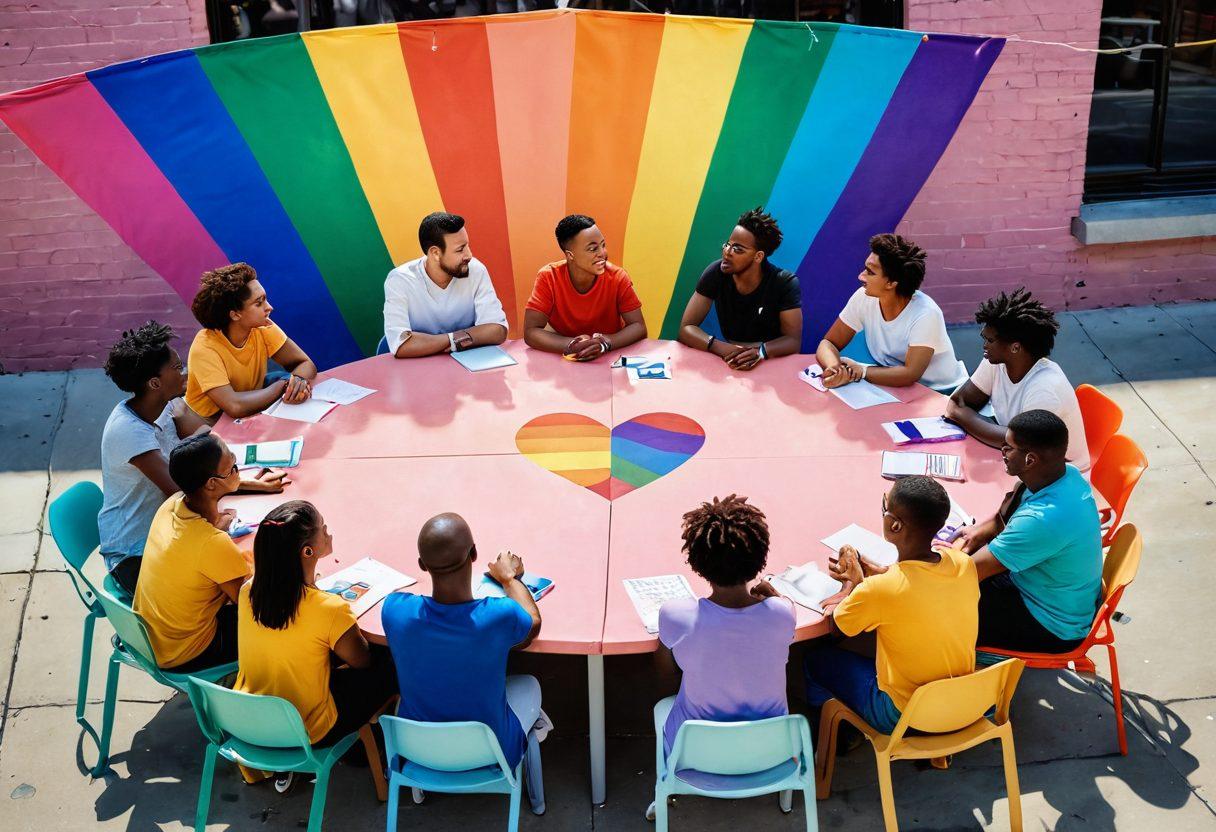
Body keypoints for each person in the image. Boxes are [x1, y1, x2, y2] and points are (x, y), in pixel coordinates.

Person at [100, 323, 288, 594]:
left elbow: (211, 444)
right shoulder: (129, 432)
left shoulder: (167, 406)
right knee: (238, 584)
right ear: (155, 383)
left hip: (174, 530)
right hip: (136, 555)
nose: (185, 373)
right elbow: (183, 490)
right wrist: (236, 488)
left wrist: (247, 481)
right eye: (177, 368)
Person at [381, 513, 545, 812]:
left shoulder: (395, 611)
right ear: (474, 555)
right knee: (530, 684)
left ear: (421, 565)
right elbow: (532, 623)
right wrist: (509, 578)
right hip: (490, 751)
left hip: (416, 751)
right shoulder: (498, 616)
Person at [234, 500, 398, 790]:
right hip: (308, 728)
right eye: (324, 529)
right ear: (308, 551)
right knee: (390, 662)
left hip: (251, 719)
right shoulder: (328, 609)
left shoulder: (249, 591)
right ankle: (373, 748)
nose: (329, 534)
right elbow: (362, 661)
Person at [805, 476, 978, 735]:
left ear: (894, 525)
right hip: (961, 703)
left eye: (884, 507)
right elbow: (916, 586)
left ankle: (840, 736)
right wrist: (879, 575)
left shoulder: (880, 590)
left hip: (904, 716)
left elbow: (837, 626)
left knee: (813, 658)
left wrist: (851, 587)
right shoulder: (963, 564)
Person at [951, 410, 1102, 653]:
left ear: (1030, 460)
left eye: (1008, 447)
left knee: (938, 614)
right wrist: (979, 531)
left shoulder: (1043, 520)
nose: (1002, 451)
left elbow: (967, 574)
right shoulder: (1065, 476)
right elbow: (1011, 510)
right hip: (1048, 593)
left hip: (1051, 625)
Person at [656, 495, 795, 753]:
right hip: (771, 755)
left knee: (665, 703)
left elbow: (665, 671)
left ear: (696, 562)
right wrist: (774, 597)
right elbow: (783, 608)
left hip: (694, 757)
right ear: (759, 559)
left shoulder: (676, 615)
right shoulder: (782, 613)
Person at [133, 434, 250, 672]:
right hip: (187, 653)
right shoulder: (211, 543)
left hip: (150, 638)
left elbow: (193, 546)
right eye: (233, 468)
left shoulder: (171, 505)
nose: (237, 471)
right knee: (284, 625)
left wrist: (217, 525)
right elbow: (251, 603)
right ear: (211, 484)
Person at [946, 288, 1089, 469]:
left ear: (1015, 347)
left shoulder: (1044, 389)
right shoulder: (996, 362)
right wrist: (1002, 434)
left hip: (1058, 477)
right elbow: (957, 404)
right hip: (1021, 462)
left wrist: (965, 417)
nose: (984, 345)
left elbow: (1020, 446)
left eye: (990, 340)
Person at [815, 234, 966, 391]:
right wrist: (835, 368)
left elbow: (910, 374)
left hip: (941, 392)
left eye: (870, 272)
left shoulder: (926, 314)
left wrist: (862, 371)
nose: (861, 276)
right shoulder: (863, 296)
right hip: (891, 388)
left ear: (891, 283)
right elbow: (828, 343)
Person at [184, 263, 318, 424]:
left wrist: (297, 382)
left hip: (252, 399)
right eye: (259, 303)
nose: (269, 307)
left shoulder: (262, 326)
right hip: (211, 422)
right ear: (235, 315)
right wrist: (285, 384)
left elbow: (305, 363)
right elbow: (234, 406)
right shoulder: (204, 348)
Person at [677, 207, 802, 371]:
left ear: (758, 256)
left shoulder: (784, 283)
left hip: (771, 361)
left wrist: (760, 352)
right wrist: (725, 349)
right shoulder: (716, 273)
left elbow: (793, 341)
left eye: (737, 249)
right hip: (732, 358)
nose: (727, 252)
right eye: (727, 244)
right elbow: (686, 329)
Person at [383, 212, 509, 358]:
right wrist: (458, 339)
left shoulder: (475, 270)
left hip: (471, 366)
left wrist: (444, 341)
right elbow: (401, 345)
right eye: (460, 249)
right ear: (435, 253)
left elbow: (497, 330)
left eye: (467, 245)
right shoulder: (399, 280)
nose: (469, 255)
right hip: (419, 372)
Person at [523, 214, 647, 360]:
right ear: (570, 255)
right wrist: (572, 345)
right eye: (593, 249)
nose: (603, 253)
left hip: (609, 358)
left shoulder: (618, 277)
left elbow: (639, 327)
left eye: (603, 245)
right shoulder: (549, 277)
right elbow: (531, 332)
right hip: (565, 361)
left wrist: (605, 343)